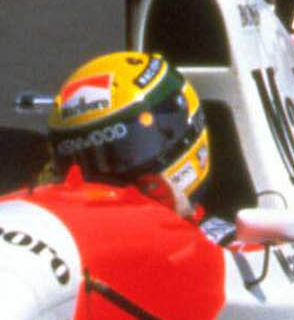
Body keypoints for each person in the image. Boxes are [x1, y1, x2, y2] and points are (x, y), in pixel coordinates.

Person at [48, 52, 226, 234]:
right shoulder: (56, 234)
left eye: (126, 157)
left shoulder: (232, 251)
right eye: (91, 167)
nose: (108, 185)